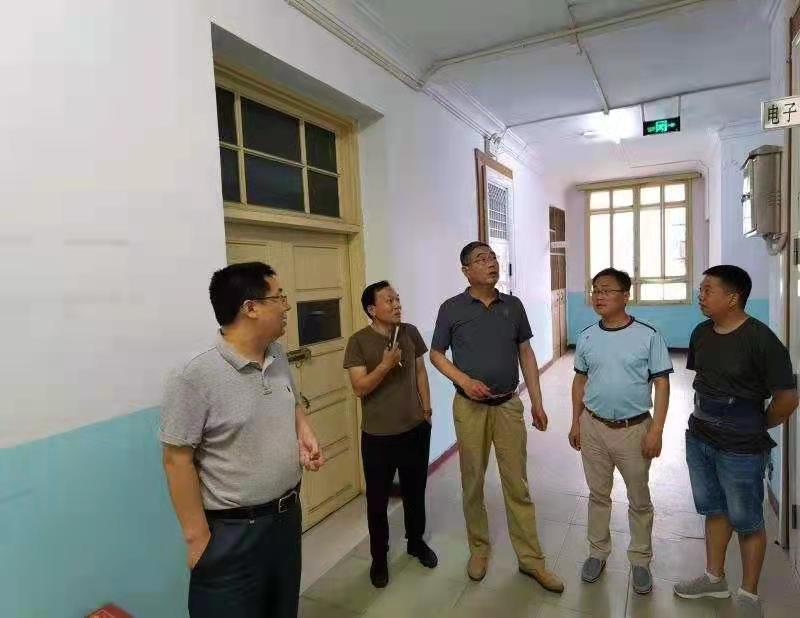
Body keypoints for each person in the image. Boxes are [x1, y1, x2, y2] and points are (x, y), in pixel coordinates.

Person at [160, 262, 324, 618]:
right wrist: (197, 538)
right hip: (231, 534)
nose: (286, 306)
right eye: (279, 297)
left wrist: (303, 430)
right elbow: (176, 459)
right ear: (251, 307)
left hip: (285, 521)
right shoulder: (194, 375)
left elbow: (292, 403)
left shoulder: (276, 354)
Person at [430, 241, 564, 593]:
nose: (491, 262)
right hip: (469, 408)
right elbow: (436, 354)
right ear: (466, 271)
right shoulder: (451, 308)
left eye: (492, 257)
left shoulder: (513, 306)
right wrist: (463, 380)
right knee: (472, 481)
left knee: (517, 482)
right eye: (481, 259)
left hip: (507, 405)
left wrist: (537, 402)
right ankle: (479, 549)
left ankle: (531, 559)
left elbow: (526, 352)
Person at [673, 265, 797, 618]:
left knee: (747, 519)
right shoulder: (701, 333)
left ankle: (749, 594)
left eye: (707, 290)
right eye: (700, 289)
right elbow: (705, 383)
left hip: (741, 445)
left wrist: (756, 424)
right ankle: (714, 578)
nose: (700, 295)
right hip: (700, 436)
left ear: (733, 297)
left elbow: (787, 398)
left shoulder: (761, 340)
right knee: (714, 508)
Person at [570, 268, 672, 595]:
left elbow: (662, 383)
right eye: (595, 290)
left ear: (626, 295)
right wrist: (576, 421)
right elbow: (580, 380)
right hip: (593, 426)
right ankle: (597, 552)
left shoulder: (648, 335)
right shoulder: (587, 336)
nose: (598, 296)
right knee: (598, 494)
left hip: (634, 429)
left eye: (606, 290)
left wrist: (656, 430)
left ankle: (640, 560)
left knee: (639, 497)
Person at [343, 281, 437, 588]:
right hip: (378, 436)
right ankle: (379, 558)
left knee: (415, 492)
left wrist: (426, 410)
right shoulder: (358, 342)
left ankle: (416, 542)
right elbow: (360, 388)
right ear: (372, 309)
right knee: (377, 501)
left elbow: (420, 371)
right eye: (389, 300)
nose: (397, 304)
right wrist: (384, 365)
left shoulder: (409, 332)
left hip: (414, 429)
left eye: (397, 299)